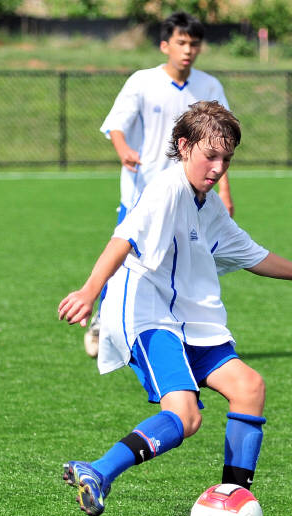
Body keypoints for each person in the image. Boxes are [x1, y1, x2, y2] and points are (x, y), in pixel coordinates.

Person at [58, 101, 292, 516]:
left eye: (227, 159)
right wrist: (89, 291)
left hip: (188, 317)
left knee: (249, 387)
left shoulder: (209, 205)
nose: (218, 168)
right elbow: (122, 239)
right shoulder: (167, 189)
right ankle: (99, 471)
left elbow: (254, 255)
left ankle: (233, 507)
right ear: (184, 147)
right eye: (211, 156)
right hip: (146, 315)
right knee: (185, 416)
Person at [84, 11, 234, 358]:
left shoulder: (209, 87)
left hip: (189, 198)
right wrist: (123, 149)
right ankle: (103, 321)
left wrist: (225, 192)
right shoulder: (142, 81)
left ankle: (180, 328)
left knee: (186, 262)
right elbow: (116, 124)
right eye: (181, 42)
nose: (188, 50)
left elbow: (220, 145)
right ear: (165, 45)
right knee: (124, 257)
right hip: (143, 193)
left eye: (194, 44)